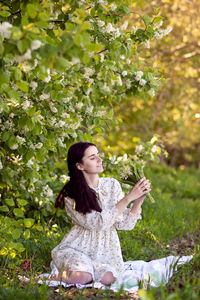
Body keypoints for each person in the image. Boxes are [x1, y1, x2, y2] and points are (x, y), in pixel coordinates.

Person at [51, 141, 151, 286]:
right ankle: (51, 277)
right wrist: (128, 197)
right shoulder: (71, 194)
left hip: (105, 252)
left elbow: (125, 225)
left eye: (98, 155)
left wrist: (138, 199)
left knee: (110, 279)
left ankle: (87, 273)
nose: (99, 160)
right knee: (83, 277)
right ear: (80, 166)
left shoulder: (112, 185)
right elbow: (96, 223)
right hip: (77, 248)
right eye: (92, 158)